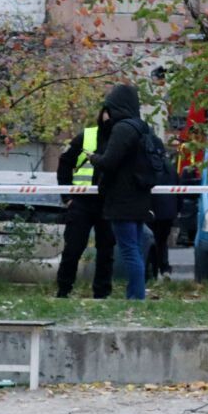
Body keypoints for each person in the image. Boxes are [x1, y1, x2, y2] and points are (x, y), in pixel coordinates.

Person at [88, 84, 154, 300]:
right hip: (139, 197)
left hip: (122, 200)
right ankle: (136, 294)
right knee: (135, 249)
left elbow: (109, 162)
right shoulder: (142, 127)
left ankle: (136, 297)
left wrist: (93, 158)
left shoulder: (122, 129)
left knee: (129, 251)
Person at [55, 117, 114, 299]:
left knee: (106, 250)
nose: (108, 118)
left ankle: (102, 293)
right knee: (73, 248)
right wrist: (67, 197)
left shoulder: (121, 137)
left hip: (108, 202)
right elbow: (64, 163)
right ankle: (63, 290)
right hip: (81, 202)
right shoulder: (87, 136)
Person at [147, 134, 179, 279]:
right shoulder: (170, 166)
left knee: (149, 241)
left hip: (151, 210)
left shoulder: (147, 165)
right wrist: (177, 210)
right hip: (167, 212)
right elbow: (179, 190)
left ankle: (152, 271)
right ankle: (164, 268)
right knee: (162, 241)